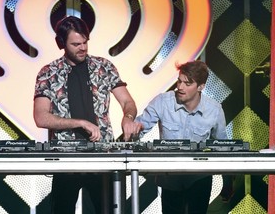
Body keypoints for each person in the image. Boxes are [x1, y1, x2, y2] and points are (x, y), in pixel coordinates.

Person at [33, 15, 142, 214]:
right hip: (66, 159)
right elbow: (41, 117)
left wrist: (128, 118)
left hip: (103, 156)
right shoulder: (48, 72)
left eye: (85, 42)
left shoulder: (104, 67)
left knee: (108, 210)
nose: (83, 48)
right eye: (76, 44)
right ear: (61, 44)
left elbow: (128, 102)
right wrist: (80, 123)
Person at [135, 60, 228, 214]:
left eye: (187, 83)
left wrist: (227, 181)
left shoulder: (214, 110)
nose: (180, 87)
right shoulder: (163, 101)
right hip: (170, 177)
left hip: (199, 178)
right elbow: (139, 128)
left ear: (201, 87)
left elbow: (223, 146)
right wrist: (133, 128)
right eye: (179, 81)